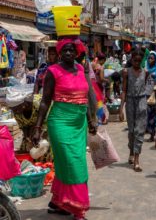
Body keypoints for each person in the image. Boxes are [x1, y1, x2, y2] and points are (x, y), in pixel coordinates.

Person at [33, 39, 97, 220]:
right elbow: (45, 101)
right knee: (73, 163)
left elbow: (86, 96)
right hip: (60, 122)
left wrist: (91, 119)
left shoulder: (81, 69)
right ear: (60, 53)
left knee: (67, 164)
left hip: (79, 124)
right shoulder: (52, 72)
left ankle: (60, 202)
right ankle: (78, 209)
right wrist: (38, 127)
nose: (68, 53)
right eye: (65, 51)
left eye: (72, 50)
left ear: (77, 53)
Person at [121, 49, 150, 172]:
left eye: (139, 60)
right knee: (131, 131)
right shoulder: (126, 72)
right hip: (130, 101)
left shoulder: (146, 72)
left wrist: (146, 97)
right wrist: (120, 108)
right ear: (131, 59)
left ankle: (137, 159)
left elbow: (149, 86)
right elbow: (124, 90)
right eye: (134, 60)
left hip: (141, 101)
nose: (137, 63)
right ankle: (131, 151)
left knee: (139, 130)